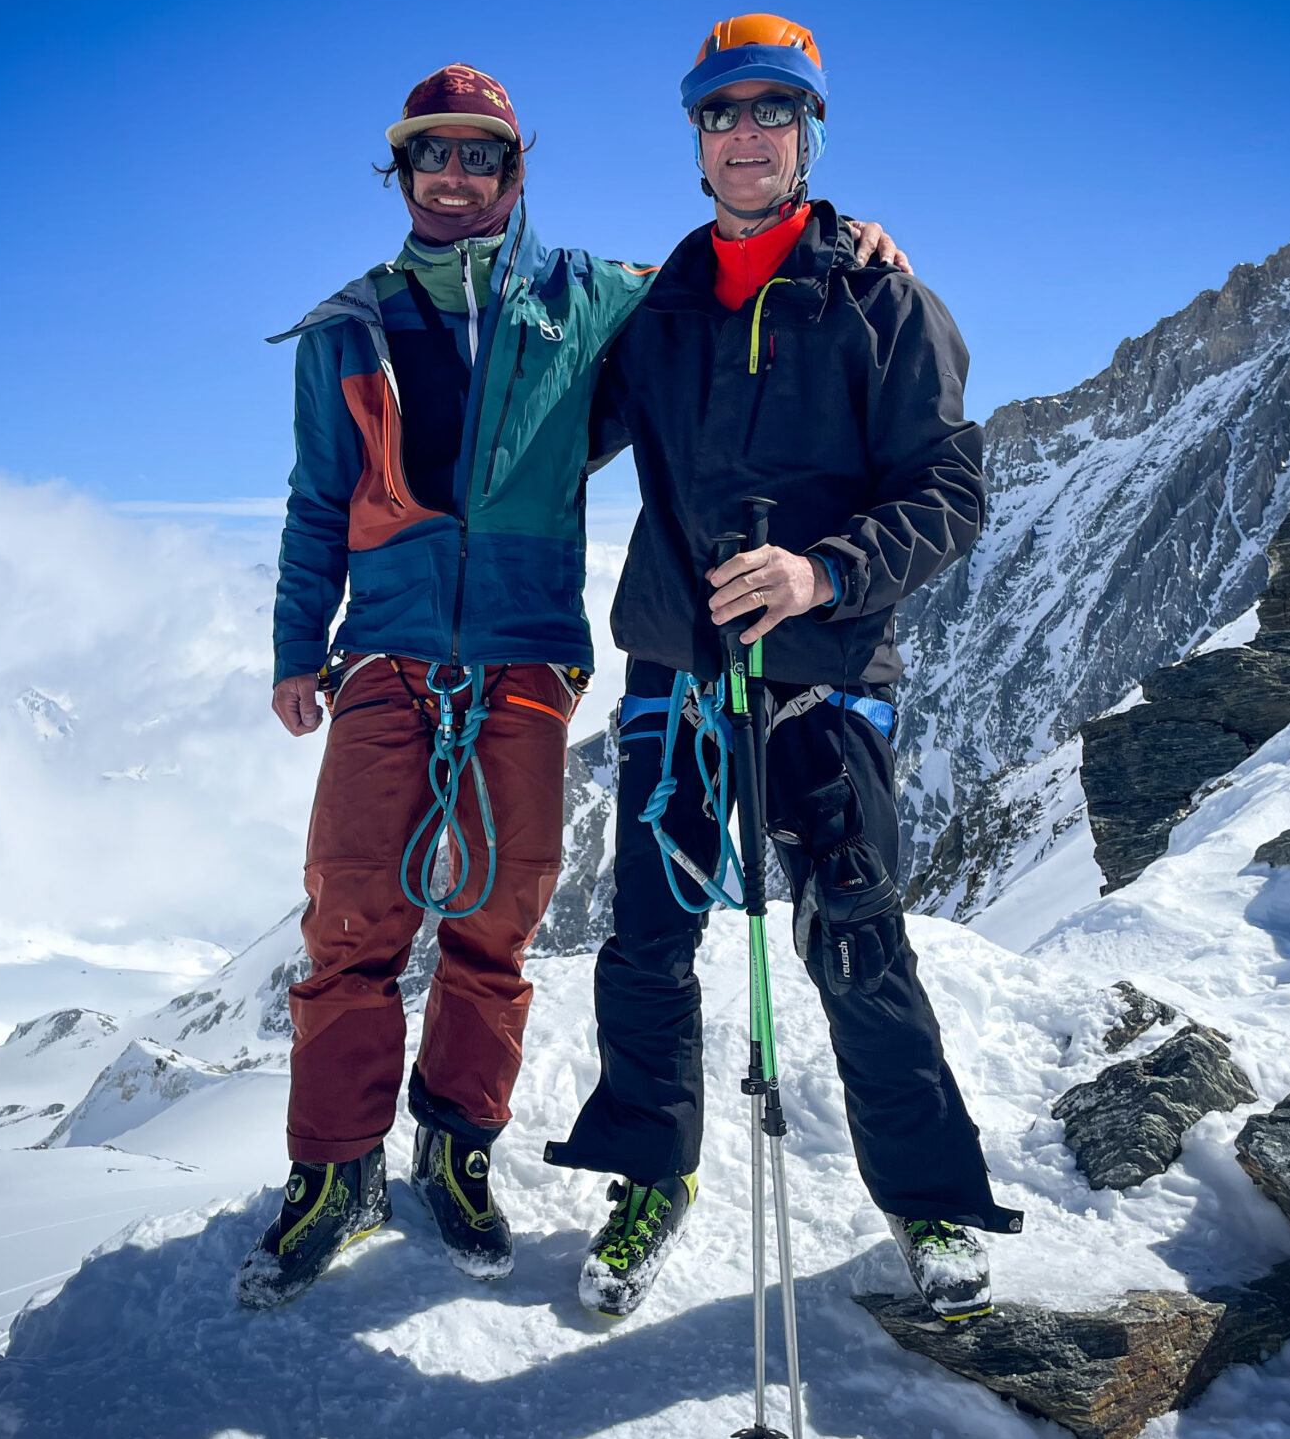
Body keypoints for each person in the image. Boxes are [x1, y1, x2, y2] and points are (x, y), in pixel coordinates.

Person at [239, 63, 906, 1307]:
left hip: (529, 651)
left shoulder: (594, 298)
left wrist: (851, 241)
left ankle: (457, 1145)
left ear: (514, 171)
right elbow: (314, 502)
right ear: (404, 173)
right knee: (351, 913)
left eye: (478, 156)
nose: (454, 176)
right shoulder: (349, 324)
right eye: (431, 156)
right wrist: (294, 645)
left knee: (502, 917)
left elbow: (742, 272)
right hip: (385, 651)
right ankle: (333, 1170)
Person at [546, 15, 1024, 1322]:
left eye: (771, 112)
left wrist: (822, 572)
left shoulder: (883, 299)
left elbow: (951, 488)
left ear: (808, 132)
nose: (744, 134)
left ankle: (928, 1197)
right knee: (645, 941)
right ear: (695, 138)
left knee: (855, 936)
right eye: (721, 113)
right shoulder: (659, 312)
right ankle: (651, 1175)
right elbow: (562, 430)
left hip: (821, 665)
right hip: (675, 670)